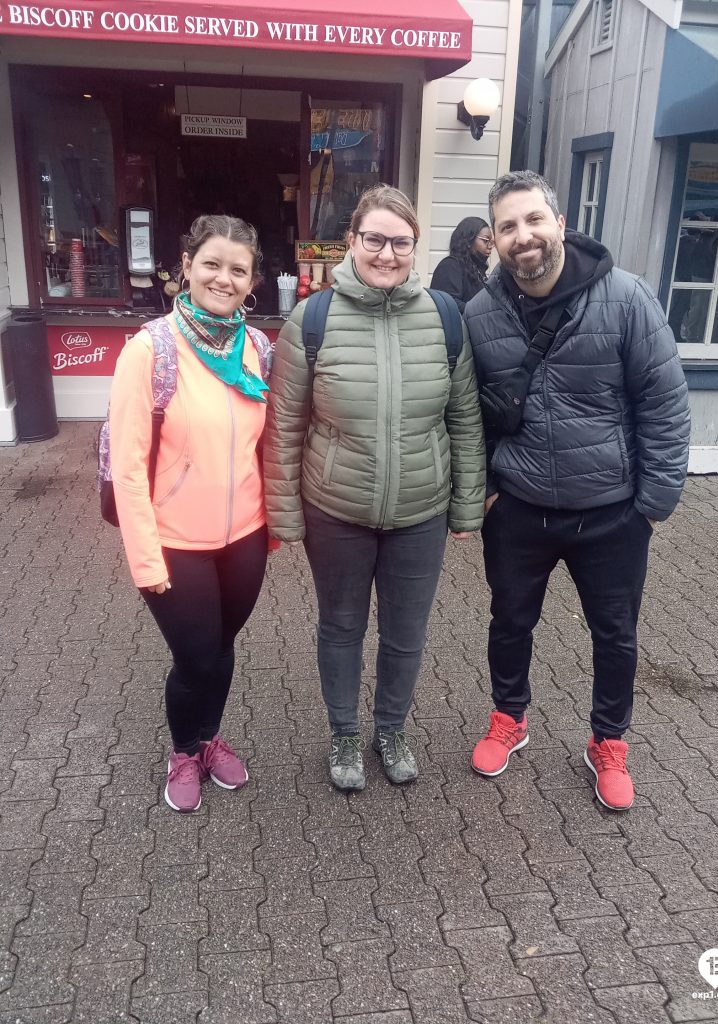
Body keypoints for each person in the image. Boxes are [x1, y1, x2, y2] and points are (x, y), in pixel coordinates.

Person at [464, 171, 690, 811]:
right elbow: (468, 415)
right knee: (509, 621)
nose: (523, 236)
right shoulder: (480, 316)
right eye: (507, 226)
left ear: (560, 224)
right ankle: (510, 717)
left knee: (615, 634)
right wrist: (481, 492)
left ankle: (608, 741)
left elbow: (665, 404)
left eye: (534, 220)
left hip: (612, 513)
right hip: (519, 508)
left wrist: (653, 503)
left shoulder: (626, 298)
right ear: (495, 241)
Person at [264, 185, 485, 792]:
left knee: (406, 631)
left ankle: (391, 727)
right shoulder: (311, 320)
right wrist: (284, 514)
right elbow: (284, 426)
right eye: (375, 240)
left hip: (421, 509)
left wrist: (467, 503)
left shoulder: (445, 317)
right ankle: (342, 732)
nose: (387, 254)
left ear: (415, 247)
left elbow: (464, 418)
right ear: (352, 243)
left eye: (401, 242)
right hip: (337, 508)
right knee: (341, 625)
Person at [109, 214, 273, 813]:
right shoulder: (150, 348)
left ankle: (208, 738)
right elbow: (128, 467)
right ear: (185, 266)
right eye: (212, 264)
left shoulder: (256, 348)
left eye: (238, 268)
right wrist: (145, 560)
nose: (223, 278)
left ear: (253, 280)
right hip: (176, 540)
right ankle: (183, 750)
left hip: (246, 537)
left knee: (223, 645)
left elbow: (267, 445)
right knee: (195, 654)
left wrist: (275, 526)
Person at [430, 217, 494, 312]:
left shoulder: (476, 269)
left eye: (492, 242)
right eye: (485, 240)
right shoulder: (450, 266)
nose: (490, 246)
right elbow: (449, 303)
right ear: (468, 240)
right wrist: (484, 313)